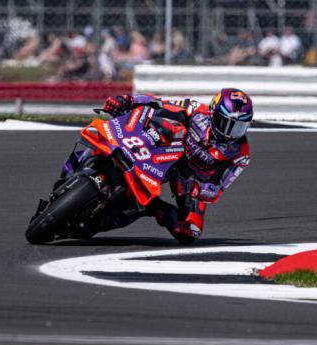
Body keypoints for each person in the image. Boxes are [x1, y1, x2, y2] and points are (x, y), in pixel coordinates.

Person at [99, 88, 252, 244]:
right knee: (129, 123)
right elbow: (158, 102)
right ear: (213, 114)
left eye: (238, 128)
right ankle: (97, 154)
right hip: (166, 148)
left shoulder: (240, 154)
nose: (229, 134)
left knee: (190, 232)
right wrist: (127, 101)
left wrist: (192, 187)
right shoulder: (196, 110)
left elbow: (217, 189)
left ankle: (153, 207)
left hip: (190, 178)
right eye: (225, 123)